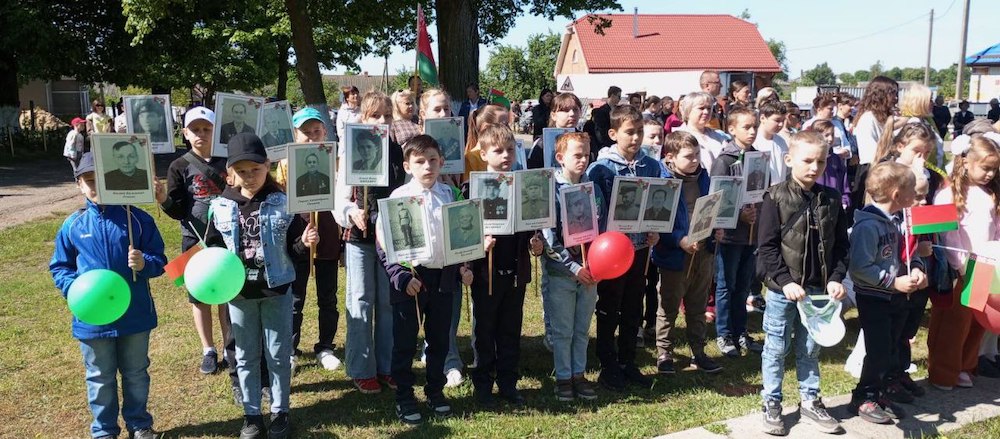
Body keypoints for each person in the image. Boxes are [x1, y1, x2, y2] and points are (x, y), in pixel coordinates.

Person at [203, 133, 316, 439]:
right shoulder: (222, 207)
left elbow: (293, 249)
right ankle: (252, 415)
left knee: (278, 354)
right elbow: (212, 251)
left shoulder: (282, 202)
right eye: (242, 171)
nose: (249, 177)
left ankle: (280, 412)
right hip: (239, 296)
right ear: (230, 174)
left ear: (268, 166)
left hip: (276, 290)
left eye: (255, 169)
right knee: (245, 355)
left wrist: (303, 243)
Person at [50, 153, 166, 439]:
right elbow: (60, 266)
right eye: (89, 181)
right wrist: (75, 289)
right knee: (99, 376)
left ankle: (139, 424)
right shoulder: (73, 224)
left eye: (101, 180)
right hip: (92, 317)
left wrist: (145, 263)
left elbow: (160, 259)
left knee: (136, 372)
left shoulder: (137, 219)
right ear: (78, 184)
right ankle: (104, 430)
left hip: (134, 313)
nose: (95, 187)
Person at [374, 134, 474, 425]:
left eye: (433, 160)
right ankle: (405, 397)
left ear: (442, 162)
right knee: (404, 341)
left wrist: (463, 266)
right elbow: (384, 244)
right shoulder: (397, 199)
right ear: (407, 165)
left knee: (439, 339)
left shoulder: (451, 195)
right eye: (420, 161)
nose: (427, 166)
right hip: (411, 279)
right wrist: (401, 277)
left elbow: (461, 238)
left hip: (443, 278)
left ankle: (434, 391)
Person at [756, 130, 850, 436]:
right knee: (776, 346)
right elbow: (767, 248)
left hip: (817, 293)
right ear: (789, 159)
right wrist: (784, 282)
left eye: (820, 161)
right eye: (807, 160)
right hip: (783, 291)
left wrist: (835, 279)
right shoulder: (775, 197)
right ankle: (771, 401)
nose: (814, 167)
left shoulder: (832, 199)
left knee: (809, 348)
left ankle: (810, 399)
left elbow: (840, 247)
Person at [464, 124, 543, 406]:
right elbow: (463, 229)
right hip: (485, 272)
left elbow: (535, 226)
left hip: (516, 271)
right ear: (483, 154)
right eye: (498, 151)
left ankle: (508, 382)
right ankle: (483, 384)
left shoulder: (524, 187)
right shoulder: (472, 188)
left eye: (510, 149)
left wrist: (537, 243)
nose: (506, 155)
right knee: (484, 331)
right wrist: (477, 244)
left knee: (510, 329)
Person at [333, 91, 406, 394]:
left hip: (388, 236)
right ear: (362, 118)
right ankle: (361, 367)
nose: (382, 121)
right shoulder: (351, 150)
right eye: (375, 116)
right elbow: (339, 198)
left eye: (387, 116)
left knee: (388, 303)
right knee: (361, 300)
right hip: (360, 237)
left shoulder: (398, 151)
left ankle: (386, 365)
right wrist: (351, 212)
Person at [587, 105, 664, 391]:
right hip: (613, 251)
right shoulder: (601, 168)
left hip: (641, 247)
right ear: (612, 133)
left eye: (640, 132)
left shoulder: (651, 165)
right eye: (629, 132)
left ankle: (627, 361)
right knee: (610, 305)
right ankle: (607, 364)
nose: (635, 138)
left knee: (635, 304)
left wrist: (655, 228)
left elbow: (658, 201)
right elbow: (596, 209)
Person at [155, 107, 235, 378]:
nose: (201, 134)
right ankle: (208, 350)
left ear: (215, 131)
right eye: (196, 129)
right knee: (199, 297)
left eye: (206, 128)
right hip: (194, 241)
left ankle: (229, 347)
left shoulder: (229, 162)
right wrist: (163, 199)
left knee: (227, 294)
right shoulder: (178, 166)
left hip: (226, 239)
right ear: (186, 133)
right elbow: (177, 209)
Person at [847, 161, 923, 424]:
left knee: (890, 347)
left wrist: (917, 270)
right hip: (875, 298)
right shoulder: (868, 226)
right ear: (896, 194)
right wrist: (893, 282)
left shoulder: (896, 221)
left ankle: (880, 392)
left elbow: (906, 255)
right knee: (878, 350)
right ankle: (863, 396)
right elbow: (859, 268)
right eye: (912, 188)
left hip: (894, 296)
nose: (916, 193)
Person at [274, 106, 343, 375]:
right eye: (306, 132)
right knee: (295, 298)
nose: (312, 136)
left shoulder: (336, 160)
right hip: (297, 239)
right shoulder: (284, 164)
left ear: (325, 131)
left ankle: (325, 346)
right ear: (295, 134)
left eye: (317, 131)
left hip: (327, 236)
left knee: (328, 297)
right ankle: (290, 349)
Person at [928, 135, 1000, 390]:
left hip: (985, 266)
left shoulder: (991, 195)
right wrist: (959, 263)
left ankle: (966, 365)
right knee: (953, 322)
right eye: (985, 167)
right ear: (966, 162)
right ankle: (943, 370)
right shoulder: (947, 193)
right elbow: (947, 234)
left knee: (975, 323)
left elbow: (996, 228)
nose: (990, 174)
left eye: (994, 169)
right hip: (960, 268)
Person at [652, 131, 721, 375]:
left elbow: (710, 209)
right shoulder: (663, 180)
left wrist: (715, 232)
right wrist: (678, 240)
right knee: (669, 306)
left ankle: (698, 352)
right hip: (674, 254)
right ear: (670, 157)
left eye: (697, 155)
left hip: (702, 252)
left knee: (697, 305)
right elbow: (658, 220)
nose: (695, 161)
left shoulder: (704, 177)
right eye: (688, 156)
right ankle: (665, 353)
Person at [542, 131, 603, 401]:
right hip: (562, 274)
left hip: (591, 272)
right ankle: (564, 377)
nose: (583, 160)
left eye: (586, 154)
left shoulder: (592, 186)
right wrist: (574, 267)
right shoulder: (551, 190)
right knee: (563, 329)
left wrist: (595, 265)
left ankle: (579, 373)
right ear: (560, 157)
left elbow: (600, 229)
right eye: (576, 155)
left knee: (581, 328)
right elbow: (548, 239)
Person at [710, 107, 764, 358]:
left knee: (743, 286)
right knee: (726, 285)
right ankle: (724, 333)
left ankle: (740, 331)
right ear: (732, 130)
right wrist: (738, 215)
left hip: (751, 234)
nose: (752, 131)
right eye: (746, 127)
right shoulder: (725, 160)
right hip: (730, 234)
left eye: (754, 126)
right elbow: (717, 198)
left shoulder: (758, 158)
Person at [854, 76, 904, 190]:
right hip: (873, 172)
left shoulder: (883, 118)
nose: (896, 98)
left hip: (885, 169)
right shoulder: (868, 119)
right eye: (893, 94)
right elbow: (870, 155)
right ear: (881, 95)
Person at [528, 92, 583, 168]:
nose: (572, 114)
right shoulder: (542, 143)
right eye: (565, 110)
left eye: (575, 109)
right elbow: (532, 172)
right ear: (553, 115)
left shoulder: (586, 140)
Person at [677, 92, 728, 171]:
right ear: (688, 110)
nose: (706, 112)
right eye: (701, 108)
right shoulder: (678, 137)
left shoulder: (719, 136)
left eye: (709, 108)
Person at [462, 104, 510, 181]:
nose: (508, 130)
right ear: (486, 128)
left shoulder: (508, 152)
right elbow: (469, 188)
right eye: (503, 125)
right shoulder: (471, 159)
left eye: (507, 125)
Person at [810, 120, 851, 209]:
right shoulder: (810, 159)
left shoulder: (836, 159)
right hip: (816, 205)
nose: (831, 139)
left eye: (832, 134)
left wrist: (845, 200)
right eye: (826, 135)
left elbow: (844, 182)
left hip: (835, 204)